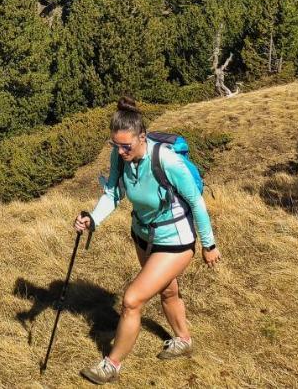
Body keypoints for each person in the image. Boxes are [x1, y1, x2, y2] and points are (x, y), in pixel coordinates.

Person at [73, 96, 220, 384]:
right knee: (167, 292)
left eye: (126, 146)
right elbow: (114, 193)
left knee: (131, 300)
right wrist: (93, 218)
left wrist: (209, 244)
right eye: (116, 146)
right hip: (142, 234)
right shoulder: (120, 155)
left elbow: (196, 202)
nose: (121, 151)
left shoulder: (167, 160)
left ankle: (111, 365)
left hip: (175, 240)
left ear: (143, 137)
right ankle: (184, 340)